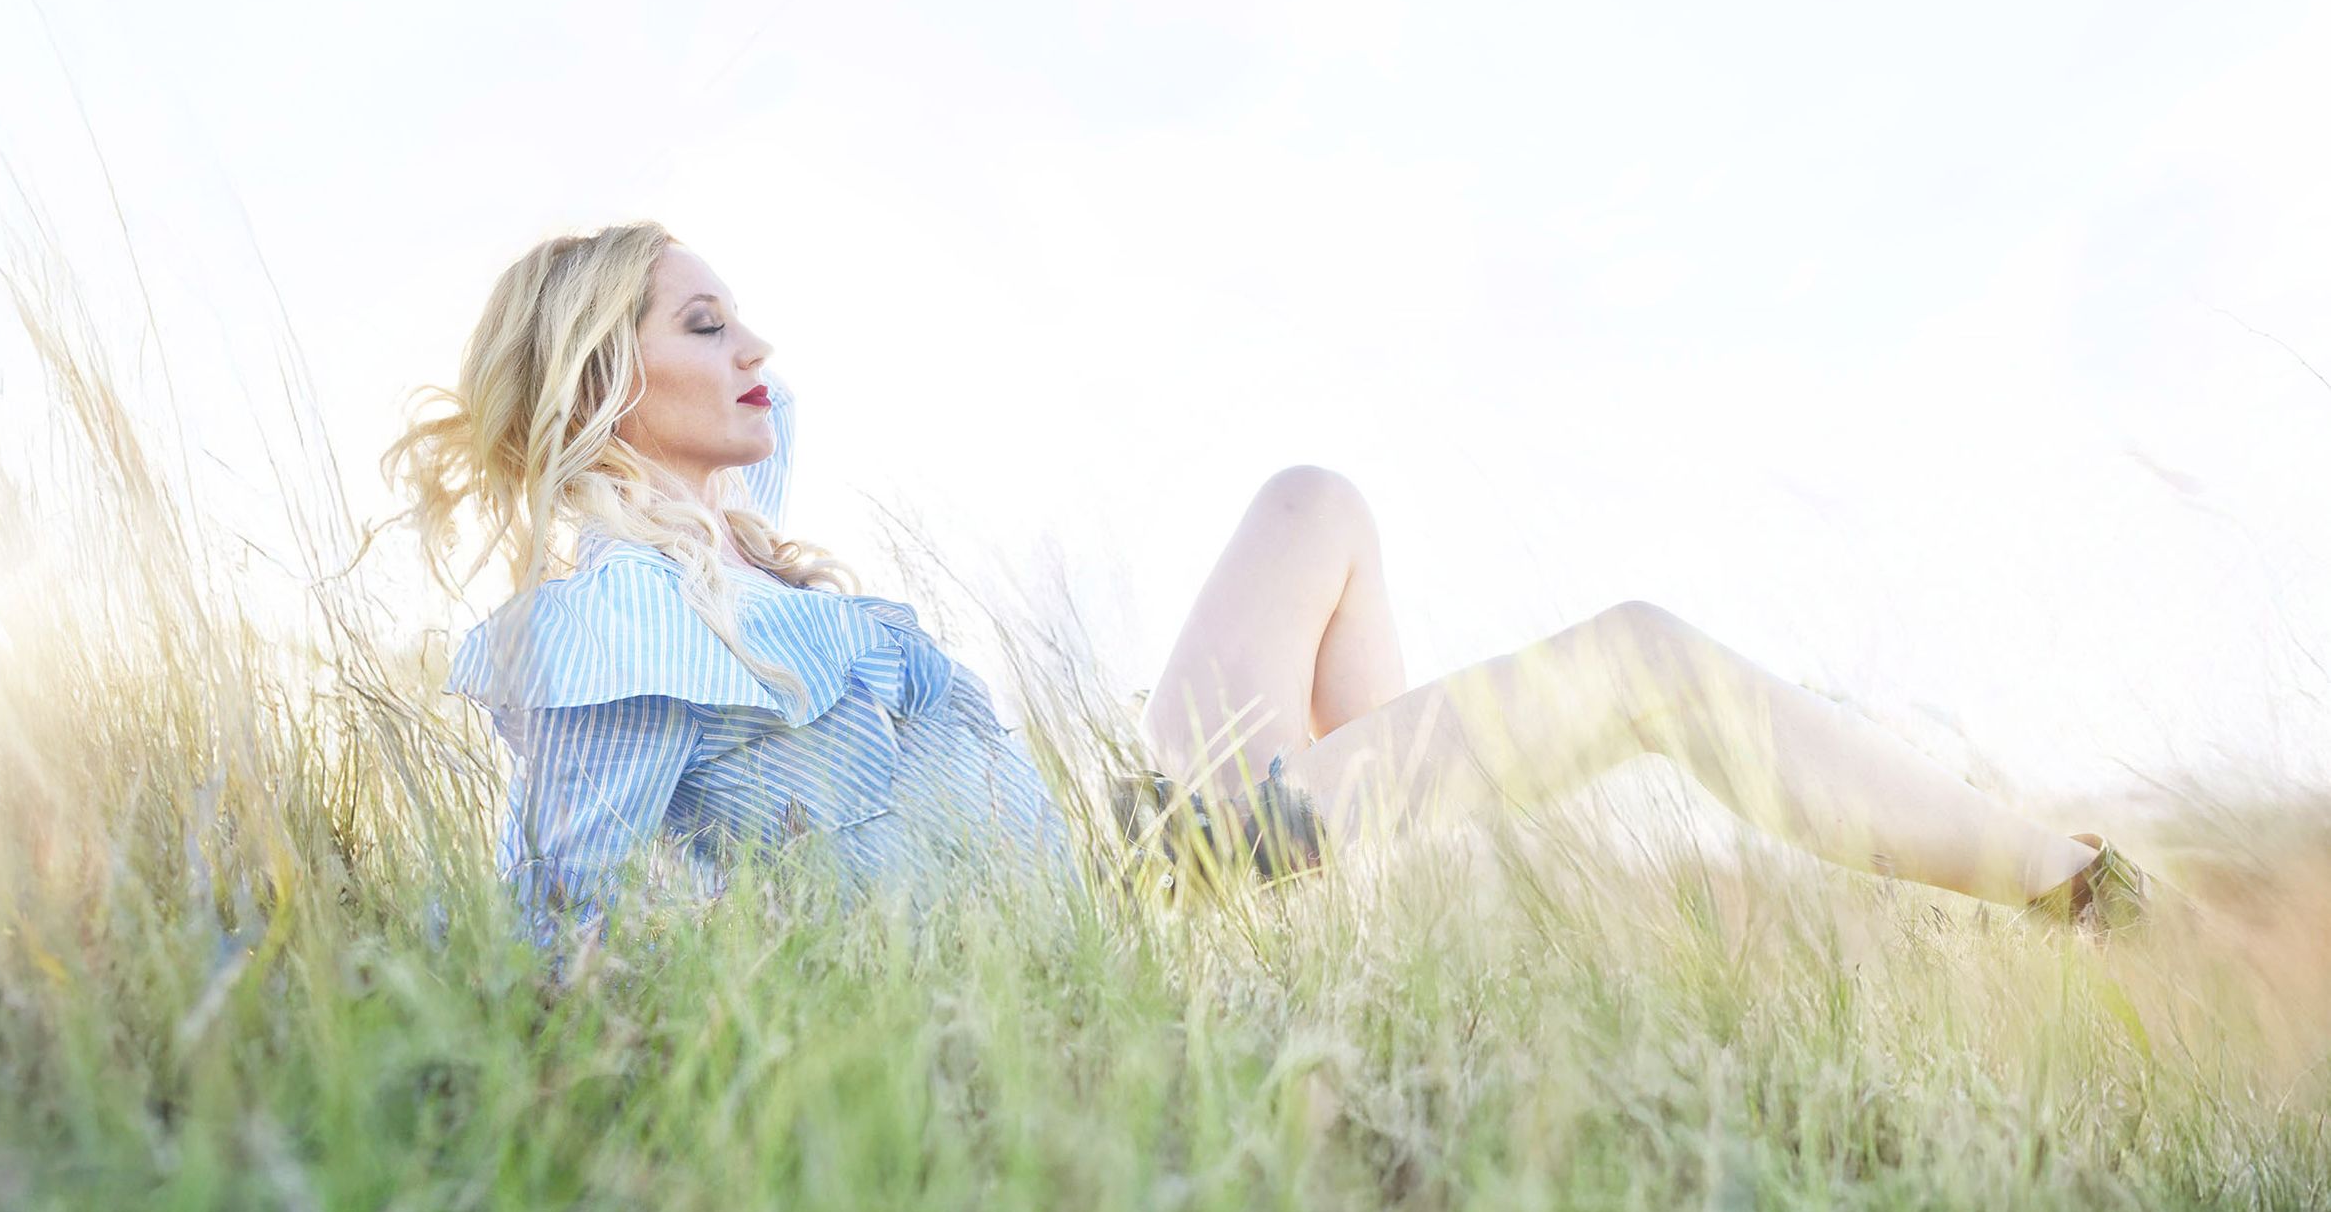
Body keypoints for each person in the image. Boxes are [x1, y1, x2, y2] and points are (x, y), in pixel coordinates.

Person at [383, 221, 2152, 961]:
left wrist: (689, 358)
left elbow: (760, 416)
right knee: (1641, 664)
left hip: (1126, 819)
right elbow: (566, 914)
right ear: (609, 390)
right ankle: (2069, 883)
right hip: (1115, 902)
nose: (756, 341)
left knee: (1315, 501)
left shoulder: (723, 542)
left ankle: (1382, 921)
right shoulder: (612, 622)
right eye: (703, 324)